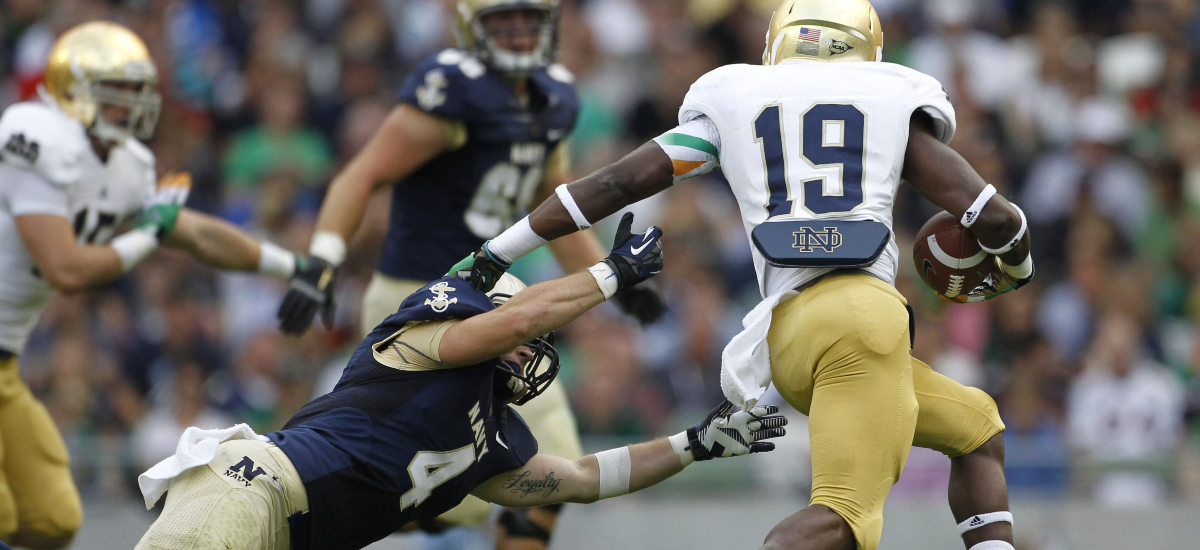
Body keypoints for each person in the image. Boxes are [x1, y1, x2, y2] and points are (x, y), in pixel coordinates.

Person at [457, 1, 1037, 549]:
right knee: (841, 517)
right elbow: (996, 218)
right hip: (862, 319)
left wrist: (498, 251)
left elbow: (613, 185)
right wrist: (1015, 269)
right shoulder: (890, 99)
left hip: (786, 334)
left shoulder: (736, 97)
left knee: (978, 429)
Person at [135, 215, 786, 550]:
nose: (530, 350)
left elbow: (589, 478)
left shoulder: (489, 443)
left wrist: (694, 444)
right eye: (521, 334)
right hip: (247, 493)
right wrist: (609, 275)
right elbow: (512, 321)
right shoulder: (424, 343)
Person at [274, 0, 664, 544]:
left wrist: (611, 279)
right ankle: (297, 508)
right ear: (469, 27)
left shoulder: (555, 95)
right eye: (503, 20)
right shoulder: (453, 91)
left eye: (530, 19)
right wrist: (322, 257)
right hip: (417, 303)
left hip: (493, 300)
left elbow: (552, 202)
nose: (520, 32)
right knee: (425, 482)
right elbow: (361, 175)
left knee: (554, 473)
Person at [0, 22, 310, 549]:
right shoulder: (35, 136)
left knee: (49, 517)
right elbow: (67, 270)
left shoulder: (125, 165)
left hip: (5, 361)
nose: (133, 108)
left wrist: (291, 266)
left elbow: (197, 235)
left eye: (137, 94)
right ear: (74, 95)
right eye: (118, 96)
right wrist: (147, 234)